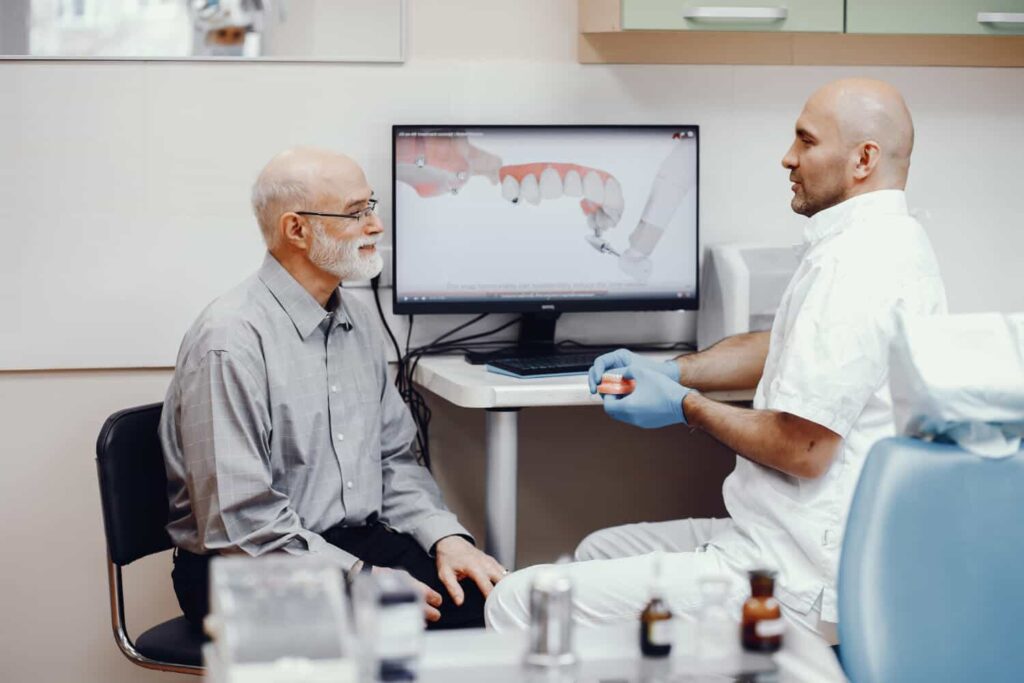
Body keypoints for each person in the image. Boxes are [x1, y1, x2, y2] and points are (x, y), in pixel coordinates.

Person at [485, 78, 947, 644]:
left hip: (797, 578)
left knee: (518, 602)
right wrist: (676, 370)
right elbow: (782, 345)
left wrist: (687, 407)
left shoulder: (857, 265)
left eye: (805, 141)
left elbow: (802, 447)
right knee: (594, 552)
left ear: (863, 159)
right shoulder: (881, 239)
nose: (788, 157)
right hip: (780, 537)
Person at [160, 147, 505, 633]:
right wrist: (359, 578)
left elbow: (394, 462)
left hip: (350, 544)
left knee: (495, 609)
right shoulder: (229, 341)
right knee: (418, 631)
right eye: (355, 212)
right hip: (244, 567)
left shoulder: (358, 323)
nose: (376, 226)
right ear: (296, 230)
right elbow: (240, 523)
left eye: (372, 206)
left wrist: (445, 538)